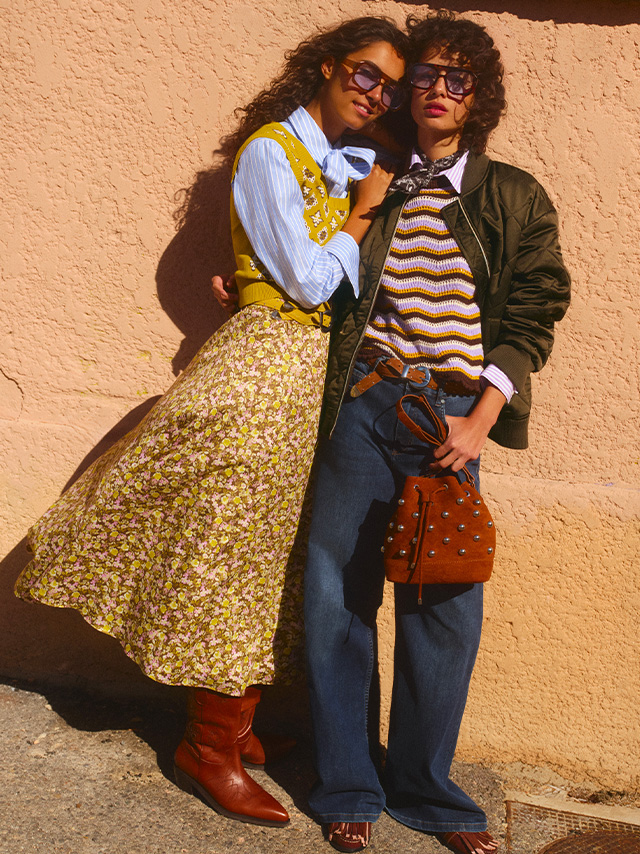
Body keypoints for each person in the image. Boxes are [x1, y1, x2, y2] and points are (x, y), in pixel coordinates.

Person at [14, 17, 407, 829]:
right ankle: (208, 746)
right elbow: (306, 280)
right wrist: (361, 215)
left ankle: (236, 723)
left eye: (390, 88)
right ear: (327, 67)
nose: (377, 94)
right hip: (265, 372)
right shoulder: (271, 151)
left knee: (270, 557)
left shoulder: (342, 162)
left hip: (305, 380)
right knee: (234, 554)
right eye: (366, 74)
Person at [214, 10, 570, 853]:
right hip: (362, 401)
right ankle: (347, 783)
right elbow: (301, 240)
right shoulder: (366, 174)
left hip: (450, 417)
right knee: (336, 596)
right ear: (409, 91)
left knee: (444, 606)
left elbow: (536, 306)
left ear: (479, 97)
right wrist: (246, 280)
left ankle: (429, 792)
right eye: (427, 76)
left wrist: (482, 418)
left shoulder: (511, 195)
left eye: (458, 79)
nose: (439, 89)